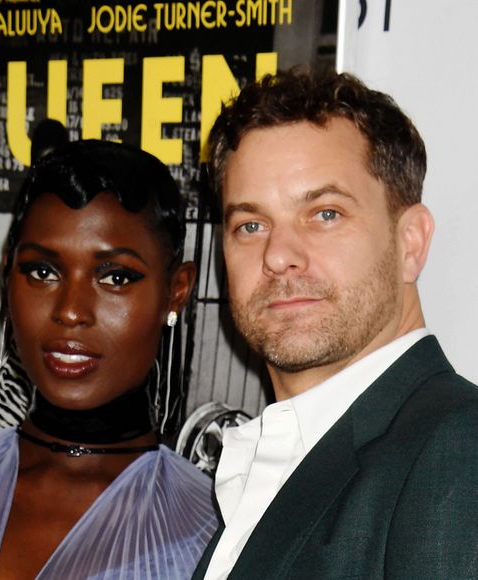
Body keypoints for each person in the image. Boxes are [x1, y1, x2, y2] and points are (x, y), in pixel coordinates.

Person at [193, 67, 478, 579]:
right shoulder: (281, 456)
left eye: (325, 214)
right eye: (251, 224)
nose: (279, 255)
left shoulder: (461, 449)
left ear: (410, 243)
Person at [0, 139, 218, 579]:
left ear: (176, 291)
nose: (70, 310)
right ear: (7, 276)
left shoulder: (219, 538)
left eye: (116, 277)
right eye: (43, 271)